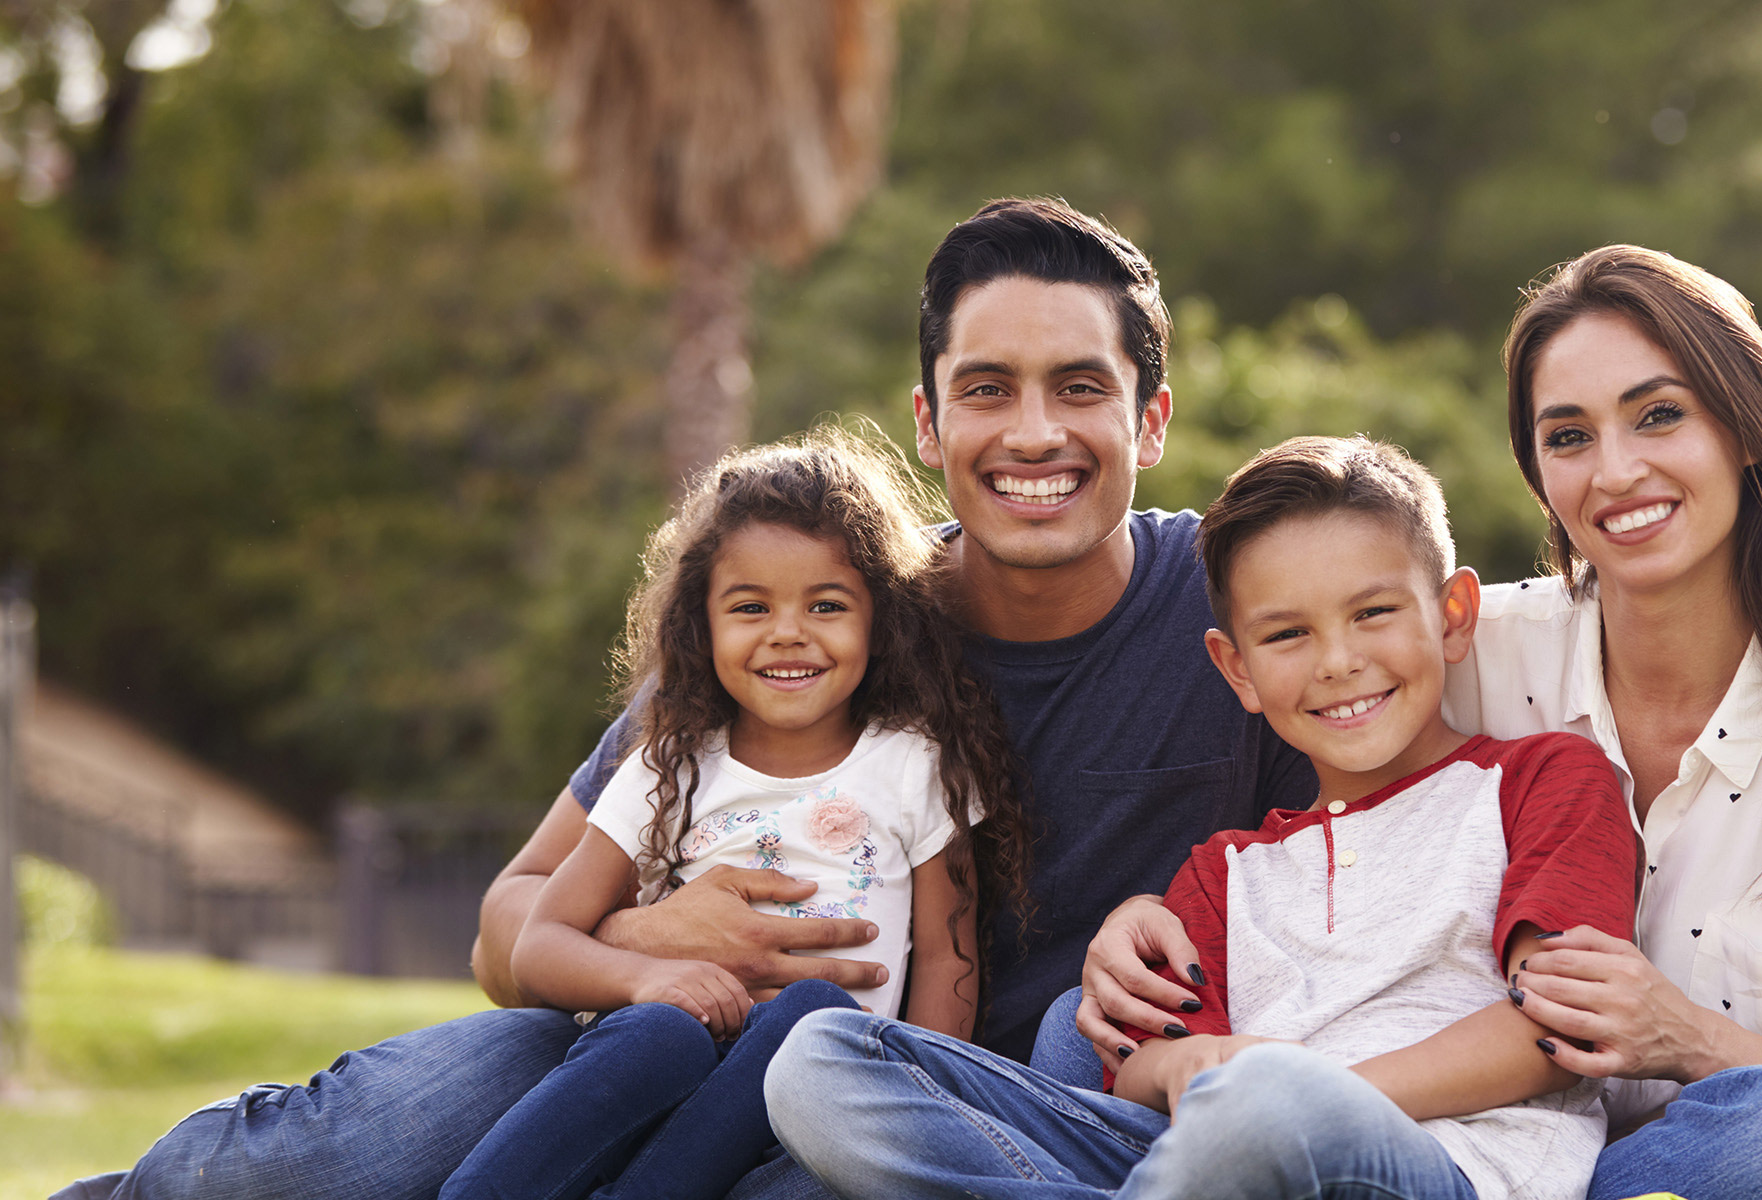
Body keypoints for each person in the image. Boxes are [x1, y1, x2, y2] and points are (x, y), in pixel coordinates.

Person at [65, 197, 1313, 1200]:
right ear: (928, 425)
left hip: (930, 1117)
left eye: (1078, 387)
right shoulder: (818, 620)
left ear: (1150, 418)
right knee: (375, 1131)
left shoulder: (1243, 615)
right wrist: (652, 941)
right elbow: (507, 931)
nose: (1032, 433)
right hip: (667, 1046)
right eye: (987, 390)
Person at [1074, 245, 1762, 1199]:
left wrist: (1686, 1037)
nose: (1617, 470)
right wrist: (1145, 918)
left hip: (1666, 1166)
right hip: (1406, 1142)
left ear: (1749, 428)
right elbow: (1322, 800)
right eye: (1568, 437)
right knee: (1081, 1024)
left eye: (1660, 415)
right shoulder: (1468, 646)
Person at [766, 435, 1643, 1200]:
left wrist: (1294, 1085)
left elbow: (1554, 1024)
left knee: (1260, 1108)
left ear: (1451, 615)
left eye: (1373, 613)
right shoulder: (1225, 871)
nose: (1339, 662)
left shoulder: (1542, 780)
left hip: (1440, 1166)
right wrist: (1187, 1067)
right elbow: (1147, 1067)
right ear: (1238, 671)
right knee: (823, 1064)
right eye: (1288, 635)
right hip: (1203, 1163)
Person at [437, 430, 1028, 1200]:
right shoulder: (669, 763)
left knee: (817, 1014)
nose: (789, 631)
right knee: (658, 1031)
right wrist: (648, 979)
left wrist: (914, 1096)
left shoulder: (915, 765)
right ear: (701, 624)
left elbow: (950, 959)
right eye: (751, 606)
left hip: (815, 1099)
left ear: (880, 619)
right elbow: (538, 946)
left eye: (827, 604)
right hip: (663, 1071)